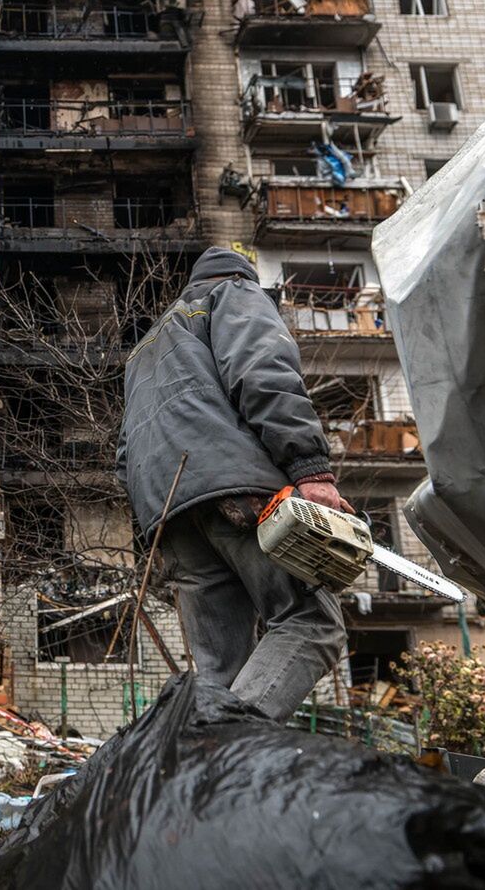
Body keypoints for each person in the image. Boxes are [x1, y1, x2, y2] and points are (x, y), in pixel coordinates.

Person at [117, 246, 349, 722]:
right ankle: (223, 750)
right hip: (237, 493)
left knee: (220, 671)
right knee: (311, 621)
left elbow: (125, 453)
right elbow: (263, 371)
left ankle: (200, 783)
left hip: (168, 516)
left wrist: (156, 523)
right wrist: (310, 470)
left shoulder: (146, 349)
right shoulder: (233, 293)